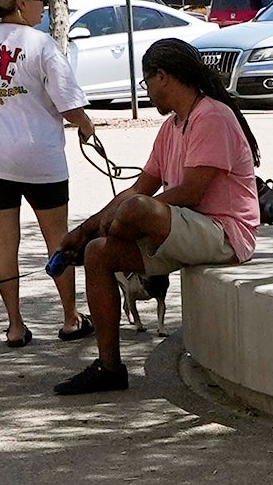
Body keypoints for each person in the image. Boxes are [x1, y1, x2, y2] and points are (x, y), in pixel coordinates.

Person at [49, 37, 259, 397]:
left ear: (162, 76)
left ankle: (109, 235)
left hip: (223, 233)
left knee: (133, 212)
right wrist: (84, 231)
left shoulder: (211, 116)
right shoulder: (172, 126)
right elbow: (137, 188)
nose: (147, 91)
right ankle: (109, 367)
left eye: (147, 82)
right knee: (99, 252)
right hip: (182, 230)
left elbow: (190, 193)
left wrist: (121, 221)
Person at [0, 0, 99, 347]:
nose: (45, 7)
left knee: (5, 242)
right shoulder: (41, 45)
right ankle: (70, 318)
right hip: (38, 156)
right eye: (41, 0)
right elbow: (68, 105)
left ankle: (15, 325)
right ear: (21, 2)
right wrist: (87, 126)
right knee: (58, 240)